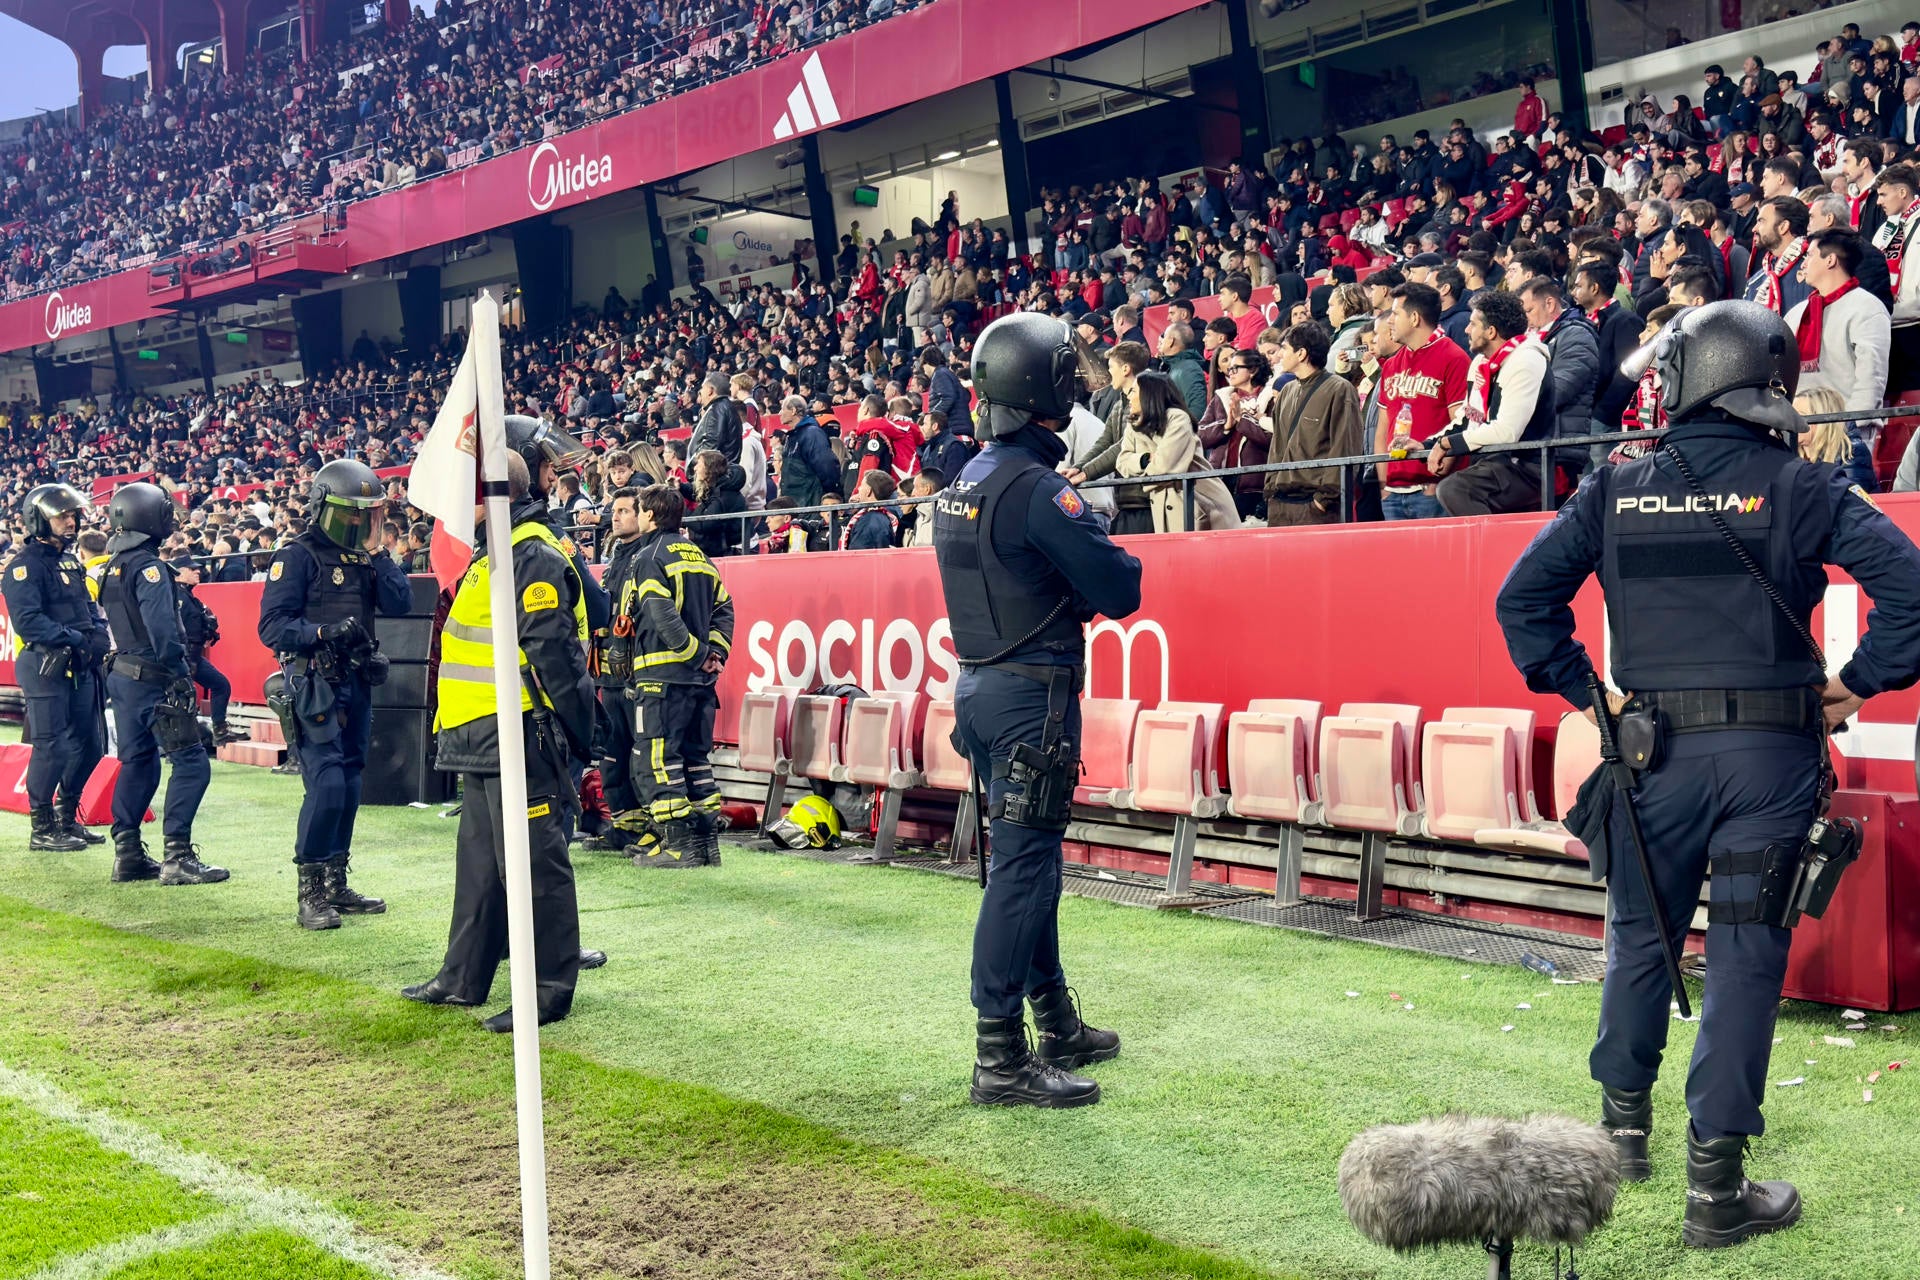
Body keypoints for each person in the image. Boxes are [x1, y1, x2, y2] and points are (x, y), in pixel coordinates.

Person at [1495, 300, 1920, 1249]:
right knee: (1741, 963)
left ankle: (1622, 1135)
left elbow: (1521, 600)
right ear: (1764, 383)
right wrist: (1854, 686)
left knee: (1640, 938)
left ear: (1684, 378)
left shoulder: (1616, 486)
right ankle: (1715, 1195)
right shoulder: (1802, 484)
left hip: (1650, 757)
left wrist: (1589, 699)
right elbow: (1912, 594)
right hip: (1768, 760)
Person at [931, 312, 1144, 1109]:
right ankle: (1001, 1058)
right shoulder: (1038, 489)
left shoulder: (964, 483)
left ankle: (1053, 1020)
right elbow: (1121, 589)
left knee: (1030, 870)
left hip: (982, 691)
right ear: (1043, 388)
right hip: (1033, 700)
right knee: (1024, 874)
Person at [402, 451, 600, 1032]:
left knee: (536, 866)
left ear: (490, 495)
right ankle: (462, 977)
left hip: (520, 731)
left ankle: (548, 990)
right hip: (482, 733)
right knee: (481, 864)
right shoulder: (501, 554)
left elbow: (557, 656)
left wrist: (576, 736)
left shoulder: (530, 554)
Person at [257, 459, 413, 930]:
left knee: (348, 785)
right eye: (353, 514)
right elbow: (272, 627)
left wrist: (380, 552)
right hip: (314, 685)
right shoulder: (297, 555)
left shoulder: (367, 558)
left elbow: (401, 603)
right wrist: (322, 632)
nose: (360, 522)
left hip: (357, 681)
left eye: (368, 514)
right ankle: (310, 891)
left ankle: (336, 883)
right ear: (325, 508)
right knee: (325, 783)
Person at [98, 483, 227, 886]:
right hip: (154, 679)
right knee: (191, 763)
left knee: (138, 762)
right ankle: (177, 857)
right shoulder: (150, 568)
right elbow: (162, 630)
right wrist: (180, 675)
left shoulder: (110, 567)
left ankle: (128, 854)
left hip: (123, 677)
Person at [624, 484, 734, 868]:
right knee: (696, 760)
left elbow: (660, 613)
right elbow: (725, 607)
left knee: (656, 760)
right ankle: (706, 848)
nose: (636, 517)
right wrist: (714, 655)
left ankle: (677, 848)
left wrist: (696, 654)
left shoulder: (649, 555)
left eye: (638, 510)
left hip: (662, 678)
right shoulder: (701, 557)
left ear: (651, 515)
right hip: (701, 683)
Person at [2, 484, 109, 851]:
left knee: (91, 745)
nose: (71, 520)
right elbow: (29, 622)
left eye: (72, 514)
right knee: (52, 747)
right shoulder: (23, 567)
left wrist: (96, 635)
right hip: (44, 663)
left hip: (78, 663)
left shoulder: (70, 560)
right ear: (39, 519)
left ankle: (66, 818)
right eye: (62, 515)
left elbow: (87, 610)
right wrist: (77, 639)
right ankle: (42, 827)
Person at [1429, 291, 1555, 515]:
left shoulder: (1526, 360)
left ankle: (1491, 550)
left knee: (1454, 489)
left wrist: (1447, 444)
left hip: (1527, 467)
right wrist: (1428, 444)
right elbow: (1469, 419)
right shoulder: (1480, 362)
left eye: (1472, 324)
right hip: (1492, 463)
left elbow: (1507, 432)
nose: (1466, 330)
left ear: (1491, 331)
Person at [585, 487, 646, 853]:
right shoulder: (616, 558)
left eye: (625, 511)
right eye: (615, 510)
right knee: (611, 757)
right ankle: (622, 826)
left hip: (637, 676)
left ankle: (647, 830)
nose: (617, 516)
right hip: (609, 674)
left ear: (643, 516)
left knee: (639, 758)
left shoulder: (647, 558)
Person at [1265, 321, 1362, 526]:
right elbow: (1277, 446)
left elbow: (1345, 447)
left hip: (1315, 507)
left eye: (1284, 348)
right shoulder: (1286, 392)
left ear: (1301, 354)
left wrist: (1324, 500)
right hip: (1281, 503)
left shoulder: (1339, 389)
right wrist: (1271, 488)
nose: (1280, 355)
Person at [172, 555, 241, 747]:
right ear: (178, 573)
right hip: (180, 655)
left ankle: (220, 730)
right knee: (183, 699)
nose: (197, 571)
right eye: (191, 569)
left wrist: (208, 629)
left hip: (194, 655)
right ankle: (179, 743)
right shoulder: (174, 595)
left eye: (197, 568)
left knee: (221, 685)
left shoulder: (187, 595)